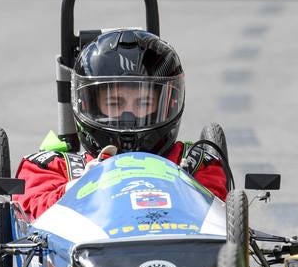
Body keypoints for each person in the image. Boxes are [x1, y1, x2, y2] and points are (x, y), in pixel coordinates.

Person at [15, 28, 228, 218]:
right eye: (114, 102)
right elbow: (34, 208)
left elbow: (218, 214)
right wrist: (80, 186)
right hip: (87, 256)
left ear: (168, 103)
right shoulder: (55, 167)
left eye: (143, 103)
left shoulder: (196, 163)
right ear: (91, 105)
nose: (129, 115)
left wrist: (180, 185)